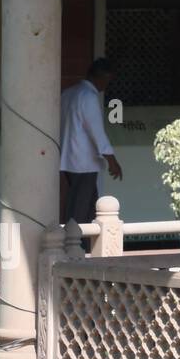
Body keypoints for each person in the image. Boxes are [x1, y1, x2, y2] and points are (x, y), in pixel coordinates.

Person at [59, 58, 122, 230]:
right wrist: (112, 161)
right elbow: (97, 133)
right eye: (107, 81)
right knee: (80, 209)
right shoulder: (89, 97)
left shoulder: (69, 93)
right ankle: (74, 245)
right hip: (84, 162)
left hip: (69, 159)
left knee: (88, 206)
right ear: (102, 77)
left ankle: (83, 244)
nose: (106, 86)